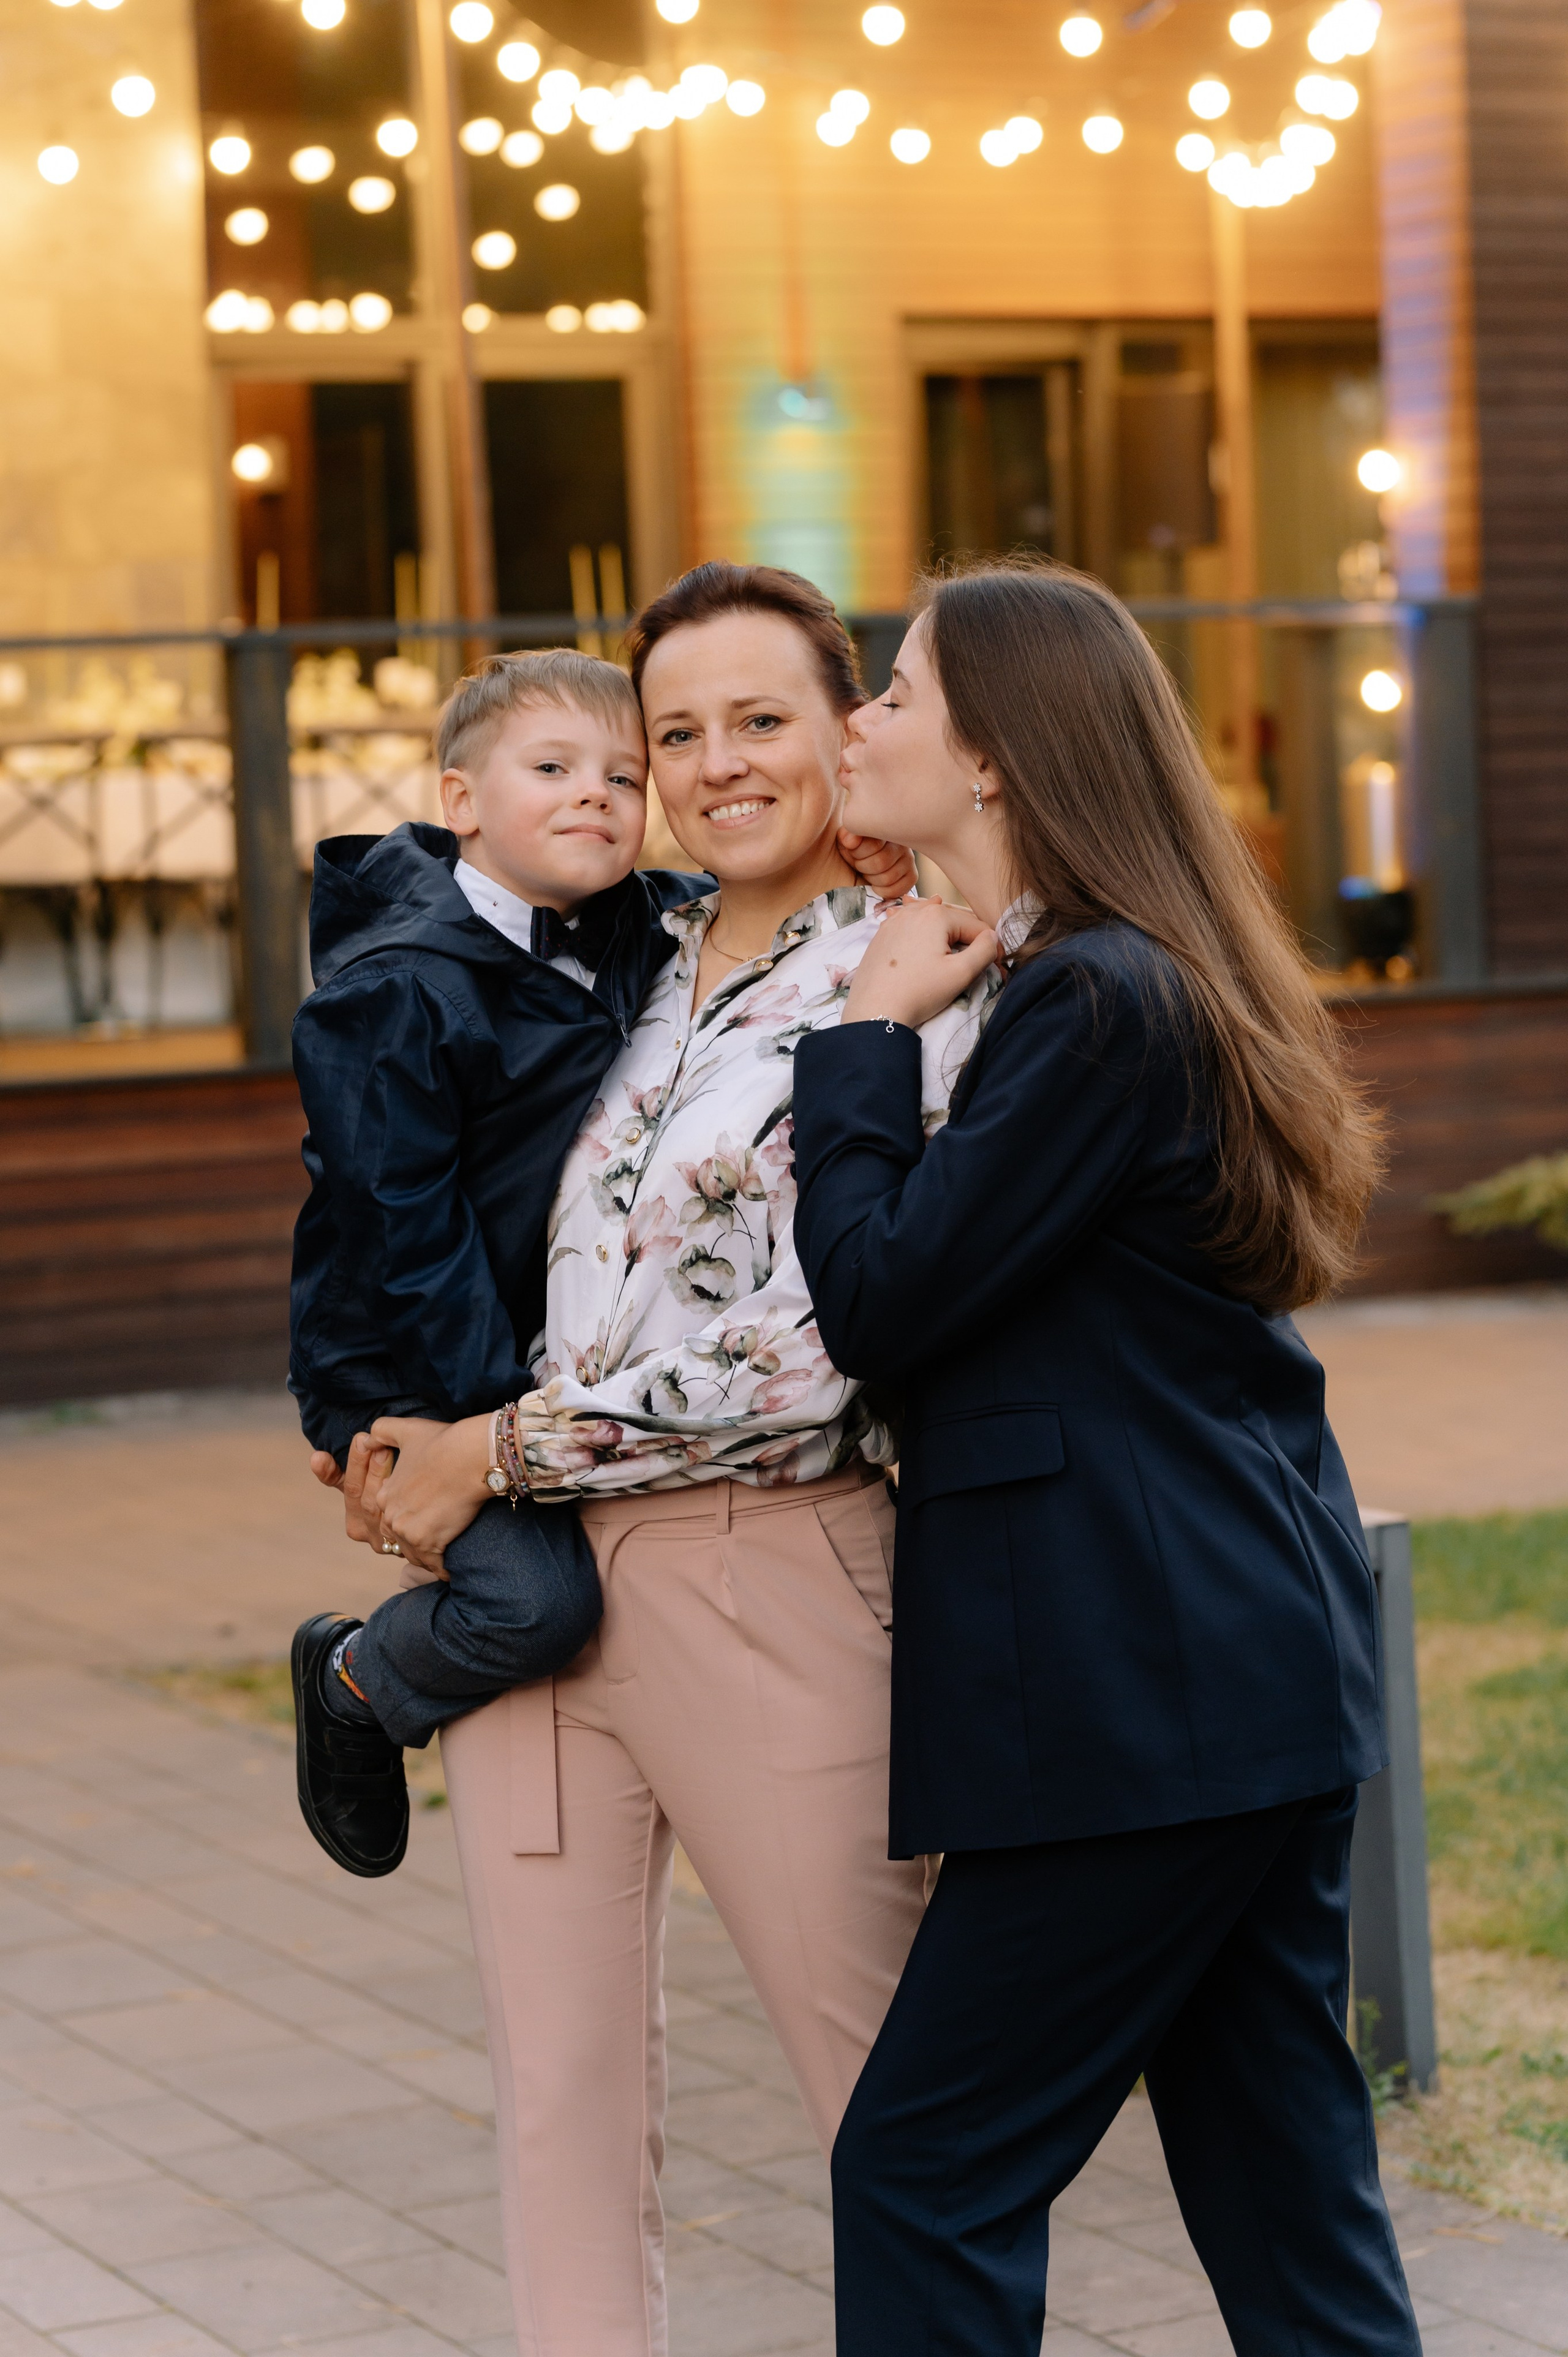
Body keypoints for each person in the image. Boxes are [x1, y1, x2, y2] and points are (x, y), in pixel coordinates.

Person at [331, 563, 995, 2356]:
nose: (714, 764)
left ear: (847, 729)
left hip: (761, 1567)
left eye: (761, 719)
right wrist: (395, 1429)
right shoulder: (610, 949)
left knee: (887, 2094)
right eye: (674, 733)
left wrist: (500, 1447)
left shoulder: (913, 959)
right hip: (530, 1603)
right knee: (556, 2109)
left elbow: (820, 1341)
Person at [789, 559, 1422, 2357]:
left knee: (925, 2172)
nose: (861, 724)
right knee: (1284, 2190)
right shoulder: (1102, 982)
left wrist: (858, 1041)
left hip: (1141, 1700)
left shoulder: (1091, 1004)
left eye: (895, 693)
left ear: (997, 753)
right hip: (1231, 1678)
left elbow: (886, 1301)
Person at [288, 646, 911, 1878]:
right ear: (462, 803)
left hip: (519, 1364)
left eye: (625, 775)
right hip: (415, 1357)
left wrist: (866, 855)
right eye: (553, 769)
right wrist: (486, 1432)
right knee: (539, 1605)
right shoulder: (394, 992)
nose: (596, 797)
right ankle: (358, 1677)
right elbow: (402, 1225)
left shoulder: (629, 926)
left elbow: (734, 891)